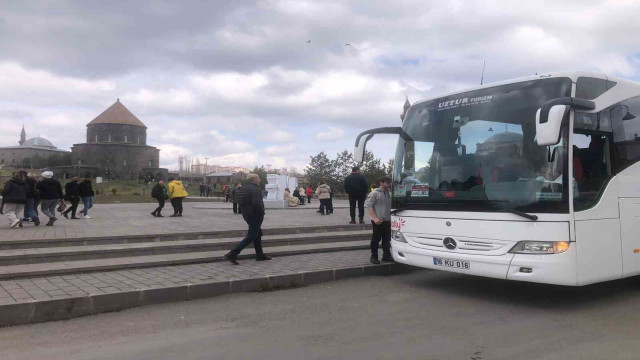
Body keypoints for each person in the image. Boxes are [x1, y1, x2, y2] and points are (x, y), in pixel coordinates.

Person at [224, 173, 271, 264]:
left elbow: (239, 201)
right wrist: (261, 212)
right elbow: (257, 203)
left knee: (258, 233)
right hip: (255, 214)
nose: (259, 180)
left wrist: (245, 210)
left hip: (246, 214)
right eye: (258, 178)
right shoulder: (255, 188)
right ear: (254, 179)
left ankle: (259, 254)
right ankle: (233, 253)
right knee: (252, 235)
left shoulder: (243, 188)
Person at [365, 176, 393, 264]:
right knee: (376, 239)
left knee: (387, 239)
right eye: (387, 182)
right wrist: (375, 218)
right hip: (378, 221)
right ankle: (374, 256)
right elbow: (369, 206)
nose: (389, 184)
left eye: (390, 182)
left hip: (388, 220)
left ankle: (386, 256)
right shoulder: (374, 193)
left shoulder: (390, 193)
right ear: (381, 183)